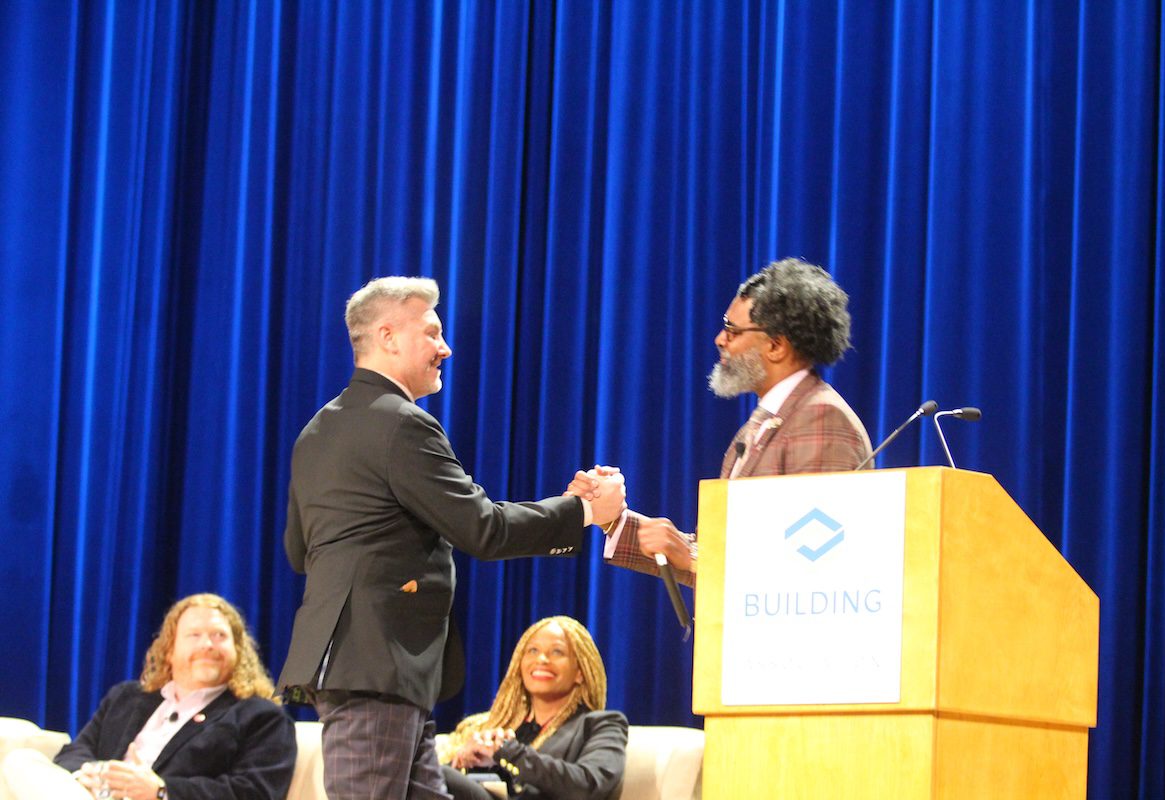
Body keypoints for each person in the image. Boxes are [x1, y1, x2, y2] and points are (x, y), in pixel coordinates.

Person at [277, 276, 626, 800]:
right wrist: (583, 510)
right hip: (379, 666)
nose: (446, 347)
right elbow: (482, 528)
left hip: (366, 668)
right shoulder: (402, 425)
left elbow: (298, 551)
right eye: (433, 332)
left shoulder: (316, 430)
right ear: (389, 337)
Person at [570, 258, 872, 587]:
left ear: (775, 346)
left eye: (732, 329)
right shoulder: (766, 421)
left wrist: (694, 556)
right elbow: (720, 557)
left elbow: (819, 560)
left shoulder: (821, 420)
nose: (719, 339)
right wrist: (615, 520)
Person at [0, 593, 296, 800]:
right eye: (194, 635)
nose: (207, 644)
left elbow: (255, 792)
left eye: (219, 636)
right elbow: (77, 751)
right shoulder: (126, 698)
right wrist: (92, 775)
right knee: (21, 761)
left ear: (238, 651)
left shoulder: (260, 716)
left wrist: (161, 791)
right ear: (169, 650)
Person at [441, 616, 626, 800]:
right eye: (533, 650)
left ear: (580, 672)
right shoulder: (500, 726)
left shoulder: (601, 725)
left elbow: (589, 786)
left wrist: (507, 752)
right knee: (430, 774)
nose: (542, 659)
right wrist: (463, 762)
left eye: (557, 652)